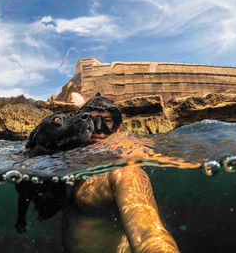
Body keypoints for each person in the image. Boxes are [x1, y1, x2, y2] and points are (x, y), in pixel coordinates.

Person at [61, 93, 179, 253]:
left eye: (106, 121)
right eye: (89, 120)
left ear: (118, 129)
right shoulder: (69, 161)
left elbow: (148, 235)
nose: (97, 128)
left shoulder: (125, 173)